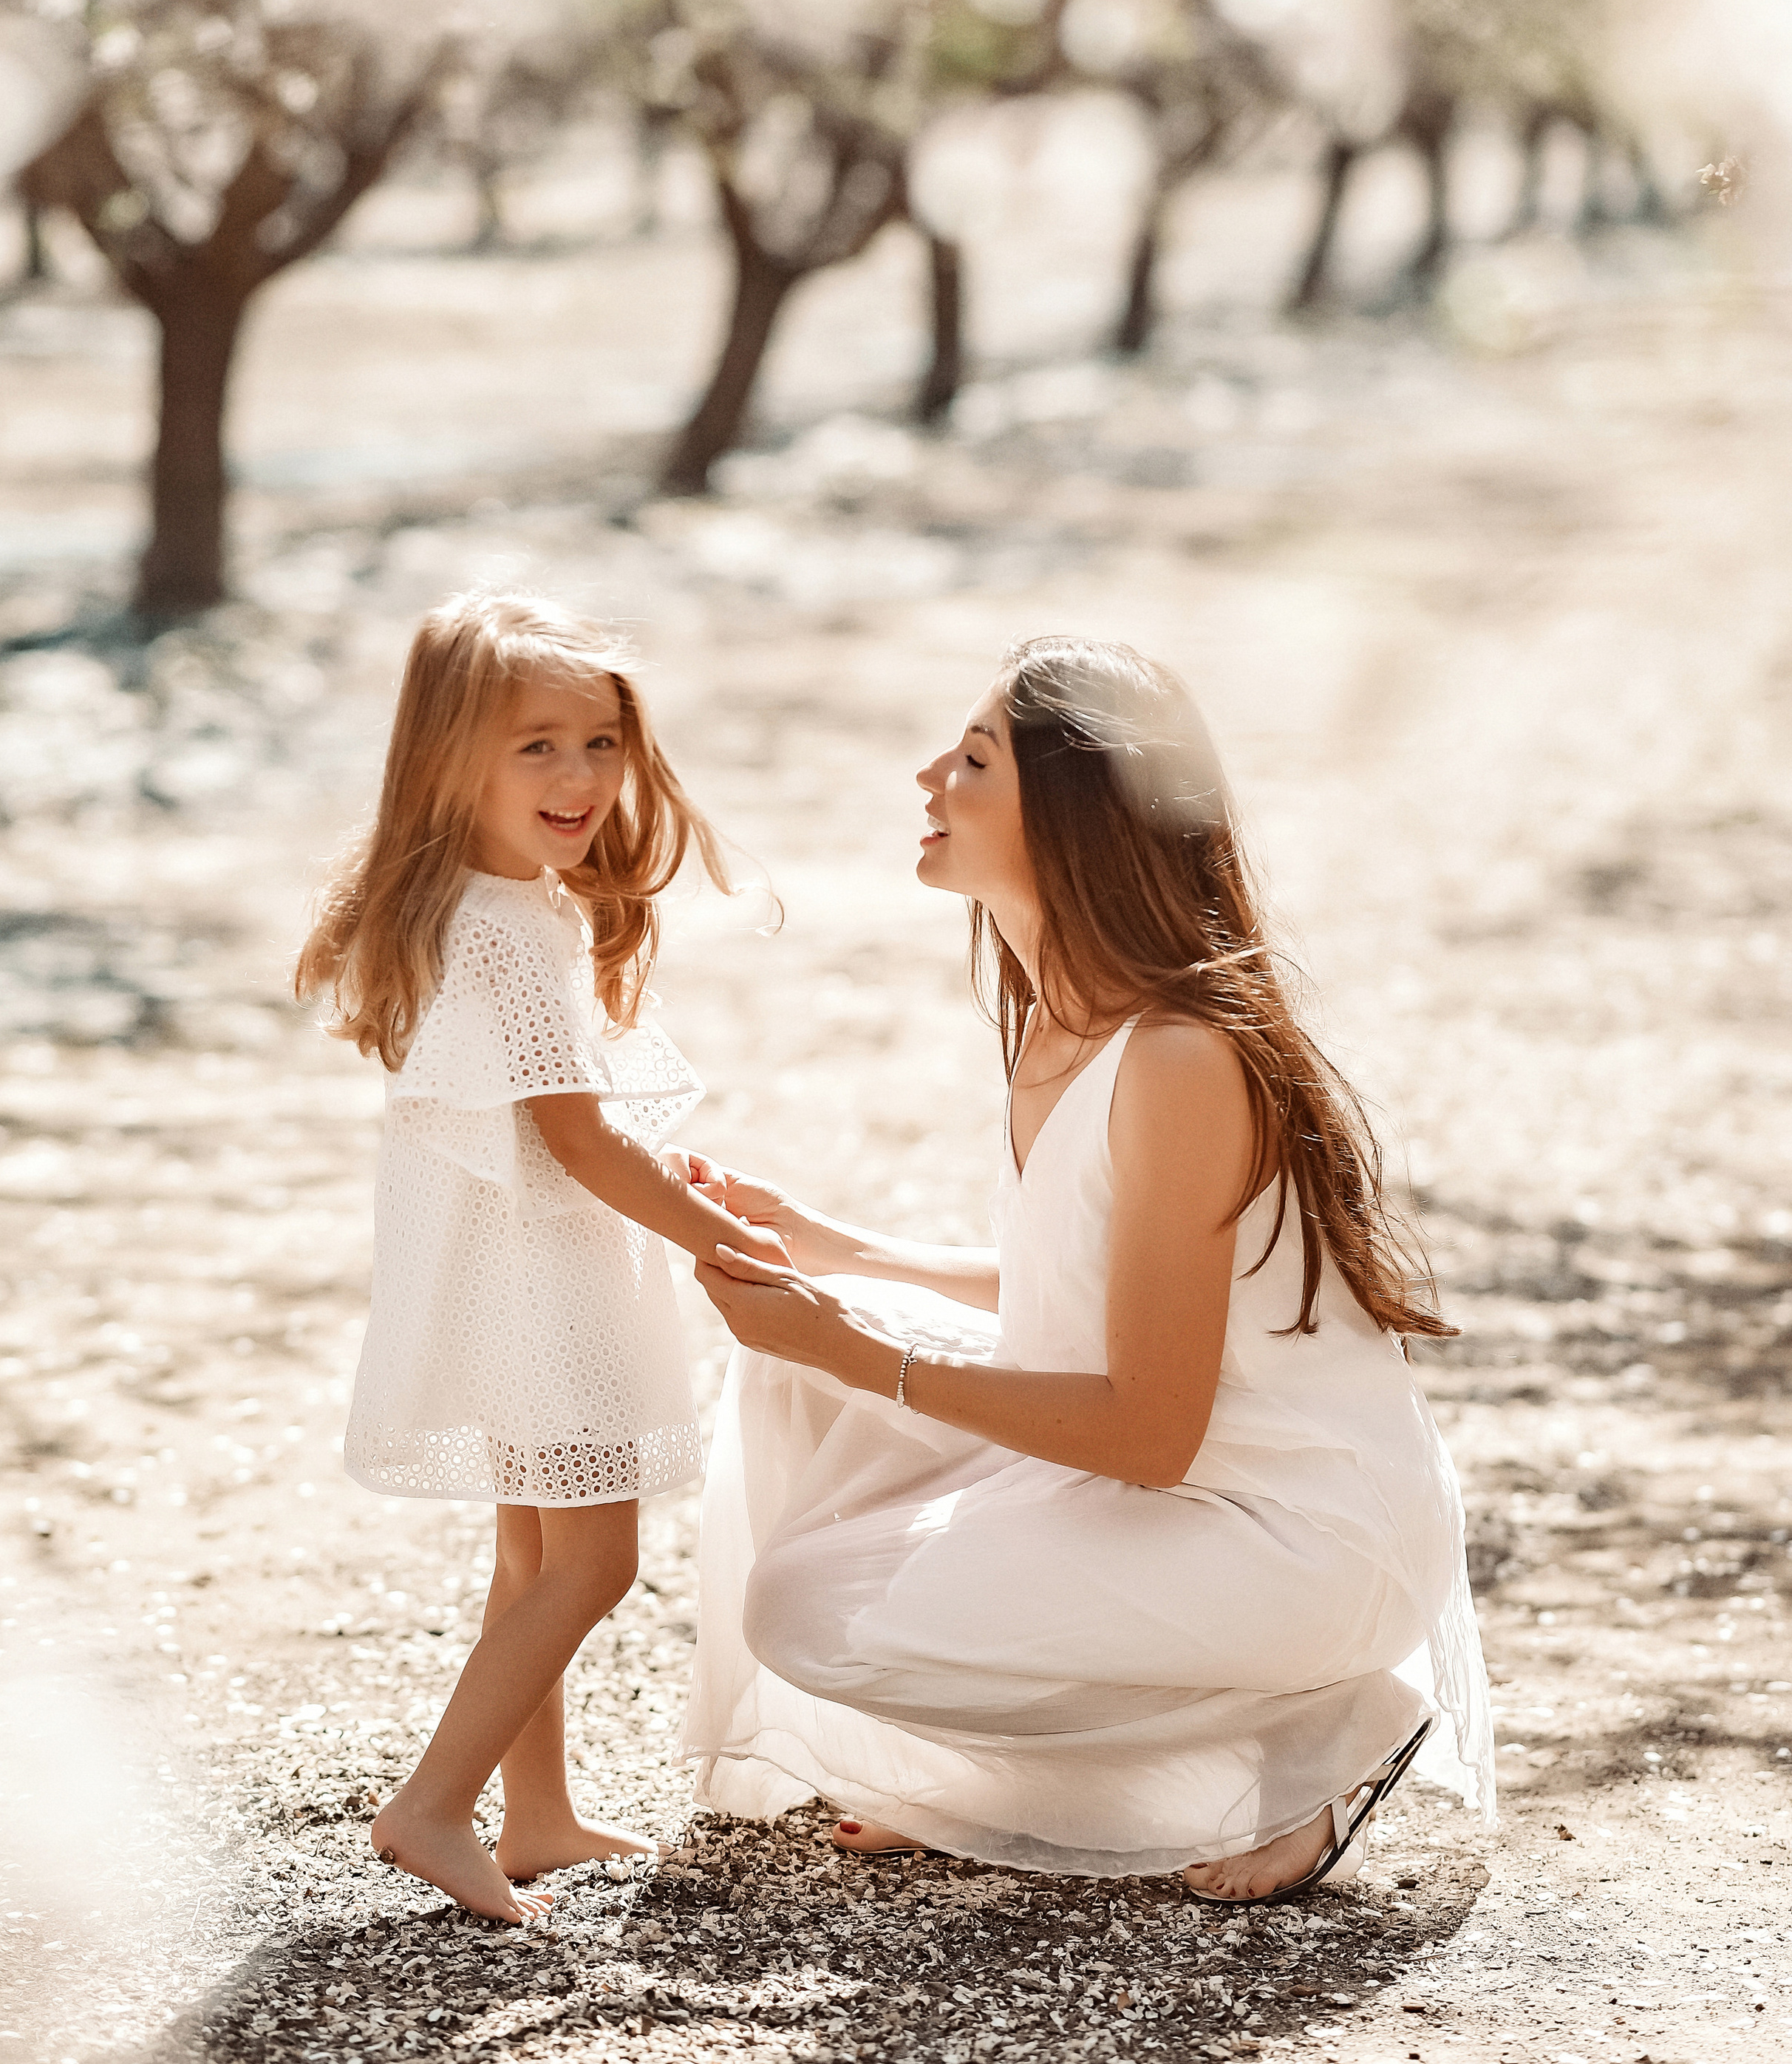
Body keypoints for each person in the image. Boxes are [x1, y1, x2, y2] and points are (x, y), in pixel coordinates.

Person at [686, 635, 1493, 1904]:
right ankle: (1002, 1778)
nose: (926, 778)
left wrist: (853, 1345)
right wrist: (828, 1251)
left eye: (970, 759)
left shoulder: (1177, 1056)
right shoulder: (1065, 1018)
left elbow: (1148, 1426)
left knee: (806, 1610)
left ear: (1073, 814)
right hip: (1185, 1496)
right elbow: (1073, 1292)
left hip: (1293, 1541)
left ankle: (1320, 1733)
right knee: (789, 1375)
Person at [296, 590, 784, 1927]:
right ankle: (433, 1806)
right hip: (547, 1283)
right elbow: (575, 1141)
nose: (581, 778)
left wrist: (659, 1181)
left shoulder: (479, 897)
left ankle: (538, 1809)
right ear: (452, 756)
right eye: (538, 747)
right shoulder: (512, 926)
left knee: (531, 1548)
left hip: (505, 1270)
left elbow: (559, 1123)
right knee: (592, 1562)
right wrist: (722, 1240)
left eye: (602, 742)